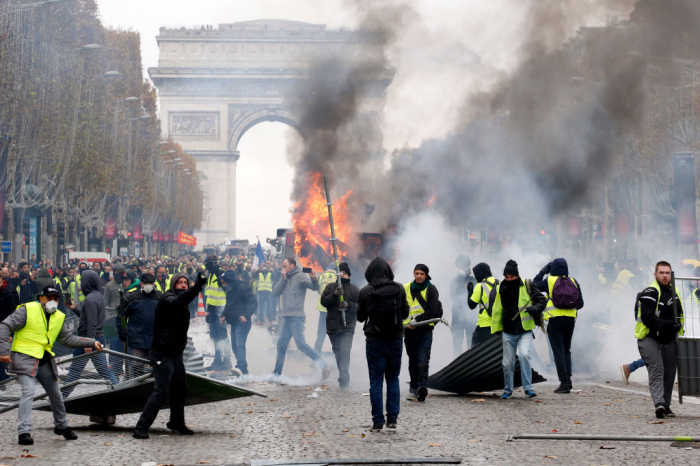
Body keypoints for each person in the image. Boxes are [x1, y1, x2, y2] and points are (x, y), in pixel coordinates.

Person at [0, 286, 103, 445]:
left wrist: (92, 342)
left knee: (56, 393)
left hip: (44, 358)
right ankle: (24, 432)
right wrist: (3, 351)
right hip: (24, 357)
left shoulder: (59, 316)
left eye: (56, 298)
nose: (53, 301)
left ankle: (61, 426)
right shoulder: (27, 310)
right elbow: (4, 326)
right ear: (41, 298)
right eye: (49, 298)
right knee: (29, 392)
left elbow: (68, 340)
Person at [133, 272, 207, 439]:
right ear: (173, 284)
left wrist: (194, 289)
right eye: (179, 283)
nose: (183, 285)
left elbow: (184, 301)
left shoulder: (183, 301)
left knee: (180, 388)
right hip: (161, 353)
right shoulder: (168, 298)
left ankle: (176, 422)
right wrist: (197, 287)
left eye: (185, 283)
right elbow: (179, 301)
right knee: (161, 391)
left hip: (175, 354)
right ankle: (140, 428)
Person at [357, 258, 409, 432]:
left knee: (376, 382)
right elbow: (405, 313)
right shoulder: (399, 288)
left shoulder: (365, 291)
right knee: (393, 379)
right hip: (395, 340)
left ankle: (377, 421)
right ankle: (392, 418)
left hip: (374, 342)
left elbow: (360, 317)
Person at [490, 260, 547, 399]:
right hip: (507, 331)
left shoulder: (527, 285)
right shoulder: (500, 288)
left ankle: (528, 388)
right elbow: (496, 309)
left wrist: (534, 309)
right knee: (507, 363)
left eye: (512, 277)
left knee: (524, 355)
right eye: (507, 277)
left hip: (525, 330)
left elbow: (542, 300)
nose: (509, 279)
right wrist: (496, 327)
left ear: (517, 276)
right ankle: (508, 390)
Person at [635, 261, 684, 419]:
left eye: (667, 273)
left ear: (671, 274)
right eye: (661, 272)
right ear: (655, 274)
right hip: (649, 337)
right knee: (657, 369)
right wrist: (669, 325)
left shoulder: (674, 290)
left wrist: (679, 331)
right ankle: (659, 404)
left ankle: (666, 405)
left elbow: (680, 316)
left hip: (669, 338)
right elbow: (648, 318)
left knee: (670, 373)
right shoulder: (650, 291)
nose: (664, 276)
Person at [61, 270, 119, 397]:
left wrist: (89, 342)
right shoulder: (98, 296)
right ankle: (118, 389)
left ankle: (60, 398)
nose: (81, 283)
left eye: (82, 280)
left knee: (75, 371)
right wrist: (74, 308)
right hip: (97, 338)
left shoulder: (90, 299)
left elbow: (91, 322)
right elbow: (86, 317)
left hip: (87, 340)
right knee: (103, 369)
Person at [271, 258, 330, 378]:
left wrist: (313, 278)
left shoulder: (301, 276)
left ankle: (324, 365)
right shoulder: (285, 277)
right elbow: (275, 292)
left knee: (301, 345)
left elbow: (314, 287)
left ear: (292, 265)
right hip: (287, 317)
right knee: (281, 345)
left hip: (296, 317)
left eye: (285, 266)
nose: (283, 269)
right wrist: (283, 280)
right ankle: (276, 374)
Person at [533, 258, 584, 394]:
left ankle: (564, 382)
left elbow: (533, 285)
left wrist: (543, 271)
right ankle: (568, 379)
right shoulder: (574, 281)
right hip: (570, 321)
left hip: (555, 320)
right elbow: (580, 303)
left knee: (558, 352)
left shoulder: (549, 281)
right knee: (566, 350)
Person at [403, 264, 442, 402]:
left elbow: (433, 311)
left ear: (426, 275)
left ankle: (422, 387)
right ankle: (413, 388)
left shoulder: (431, 289)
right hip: (409, 332)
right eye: (417, 273)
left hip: (424, 331)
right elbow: (401, 308)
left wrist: (417, 321)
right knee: (412, 361)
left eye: (422, 274)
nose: (419, 276)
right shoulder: (406, 287)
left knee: (423, 360)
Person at [320, 262, 360, 388]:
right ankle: (342, 372)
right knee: (337, 350)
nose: (342, 276)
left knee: (345, 349)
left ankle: (344, 375)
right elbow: (324, 302)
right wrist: (334, 294)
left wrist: (349, 305)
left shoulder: (354, 289)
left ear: (348, 275)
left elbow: (360, 307)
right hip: (333, 324)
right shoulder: (331, 287)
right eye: (340, 274)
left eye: (344, 274)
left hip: (348, 324)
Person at [220, 270, 257, 375]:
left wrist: (246, 315)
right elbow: (229, 304)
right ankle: (243, 369)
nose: (222, 285)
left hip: (242, 322)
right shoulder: (230, 290)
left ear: (229, 281)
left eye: (223, 282)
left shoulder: (243, 288)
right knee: (235, 346)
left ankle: (240, 367)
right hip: (233, 321)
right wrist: (223, 315)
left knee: (240, 345)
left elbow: (253, 302)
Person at [123, 274, 162, 374]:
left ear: (154, 284)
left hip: (155, 339)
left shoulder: (160, 297)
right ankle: (137, 387)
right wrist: (122, 329)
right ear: (141, 283)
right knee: (137, 368)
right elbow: (122, 315)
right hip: (136, 338)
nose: (148, 285)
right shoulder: (132, 297)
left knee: (156, 367)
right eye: (145, 283)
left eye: (150, 283)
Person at [204, 256, 231, 370]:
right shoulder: (210, 275)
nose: (206, 266)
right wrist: (208, 310)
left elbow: (228, 288)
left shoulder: (221, 273)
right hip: (213, 310)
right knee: (215, 336)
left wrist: (219, 274)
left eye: (207, 264)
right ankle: (217, 361)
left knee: (223, 336)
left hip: (221, 309)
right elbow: (210, 294)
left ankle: (227, 361)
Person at [450, 255, 476, 356]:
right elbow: (454, 297)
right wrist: (461, 279)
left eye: (467, 265)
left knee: (471, 342)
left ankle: (472, 363)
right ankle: (457, 365)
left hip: (471, 316)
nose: (466, 268)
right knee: (457, 342)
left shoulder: (474, 280)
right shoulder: (454, 282)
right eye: (463, 265)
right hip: (457, 316)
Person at [468, 263, 498, 347]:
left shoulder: (480, 286)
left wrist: (470, 292)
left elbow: (472, 305)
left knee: (475, 351)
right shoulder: (500, 283)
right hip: (499, 325)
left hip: (484, 325)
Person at [0, 272, 20, 384]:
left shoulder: (9, 293)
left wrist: (10, 333)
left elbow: (13, 313)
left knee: (2, 350)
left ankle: (3, 377)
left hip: (5, 326)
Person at [314, 263, 337, 353]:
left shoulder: (322, 276)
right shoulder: (338, 277)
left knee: (321, 334)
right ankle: (337, 357)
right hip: (333, 309)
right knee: (335, 334)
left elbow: (319, 290)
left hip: (323, 309)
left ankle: (316, 355)